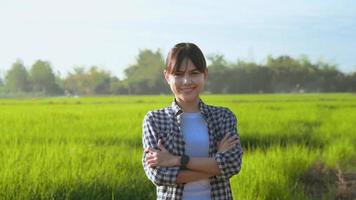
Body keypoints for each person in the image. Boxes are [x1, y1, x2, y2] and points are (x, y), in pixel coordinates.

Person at [142, 42, 243, 200]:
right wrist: (216, 165)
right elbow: (159, 175)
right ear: (167, 77)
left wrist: (175, 160)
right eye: (179, 74)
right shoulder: (155, 120)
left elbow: (233, 165)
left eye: (194, 73)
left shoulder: (223, 116)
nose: (187, 81)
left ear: (205, 74)